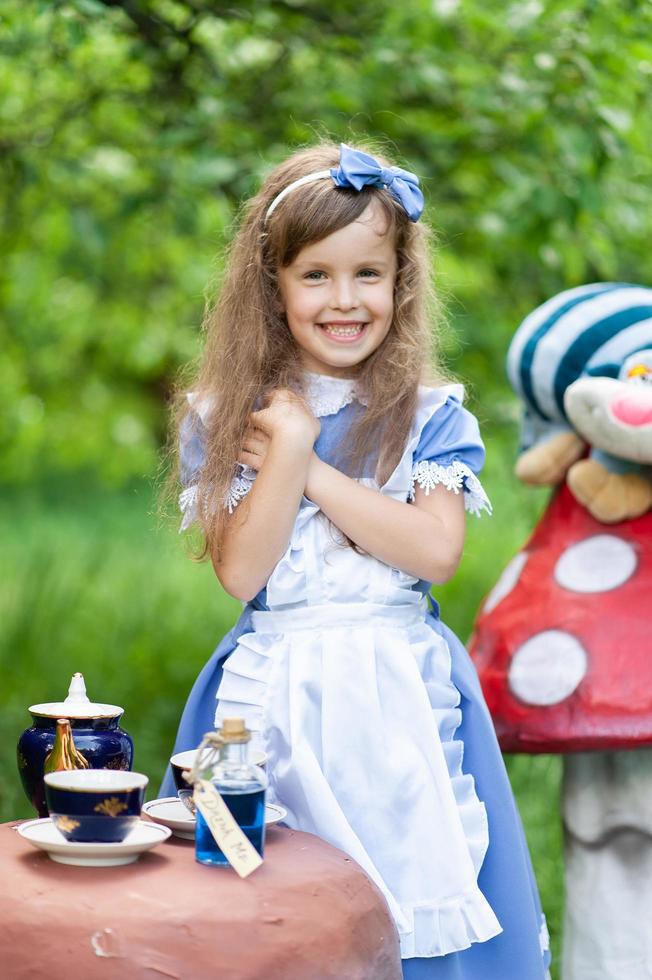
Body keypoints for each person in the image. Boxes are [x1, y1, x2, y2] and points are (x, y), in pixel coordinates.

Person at [161, 141, 551, 978]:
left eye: (368, 274)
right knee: (258, 891)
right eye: (317, 276)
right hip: (271, 693)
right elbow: (243, 574)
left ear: (400, 281)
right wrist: (286, 433)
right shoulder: (230, 414)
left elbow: (435, 549)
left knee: (413, 880)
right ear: (275, 285)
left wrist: (306, 465)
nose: (345, 300)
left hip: (399, 693)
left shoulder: (430, 416)